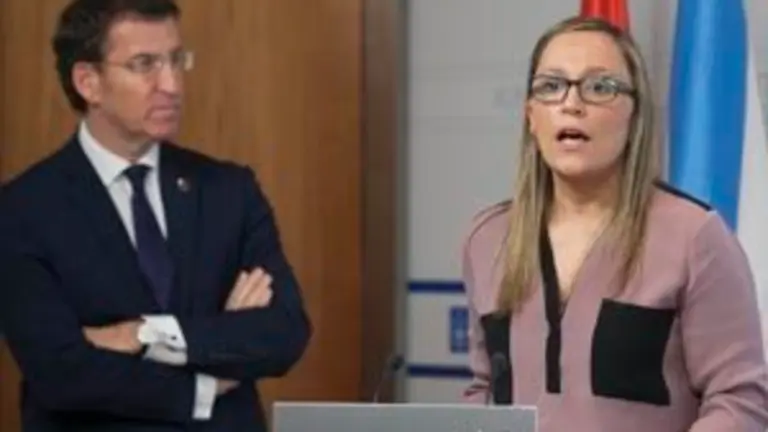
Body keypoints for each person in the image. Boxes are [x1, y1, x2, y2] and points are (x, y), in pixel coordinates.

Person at [0, 0, 311, 430]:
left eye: (176, 60)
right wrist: (205, 378)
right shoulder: (22, 209)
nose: (172, 84)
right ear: (88, 82)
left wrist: (143, 334)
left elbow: (284, 332)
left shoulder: (229, 191)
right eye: (144, 64)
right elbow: (60, 371)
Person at [461, 15, 768, 432]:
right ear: (531, 116)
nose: (572, 103)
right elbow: (484, 392)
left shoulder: (693, 236)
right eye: (551, 86)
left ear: (634, 115)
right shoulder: (488, 239)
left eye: (599, 87)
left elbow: (740, 399)